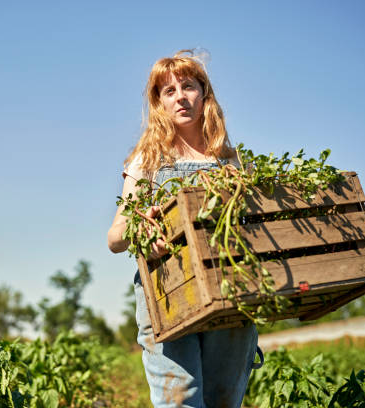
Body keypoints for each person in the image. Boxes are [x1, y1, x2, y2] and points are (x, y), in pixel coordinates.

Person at [107, 50, 261, 408]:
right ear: (159, 102)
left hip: (229, 290)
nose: (180, 97)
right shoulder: (147, 160)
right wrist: (141, 229)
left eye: (188, 86)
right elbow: (114, 238)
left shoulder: (231, 160)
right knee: (181, 402)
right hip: (166, 295)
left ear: (204, 93)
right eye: (169, 91)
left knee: (224, 400)